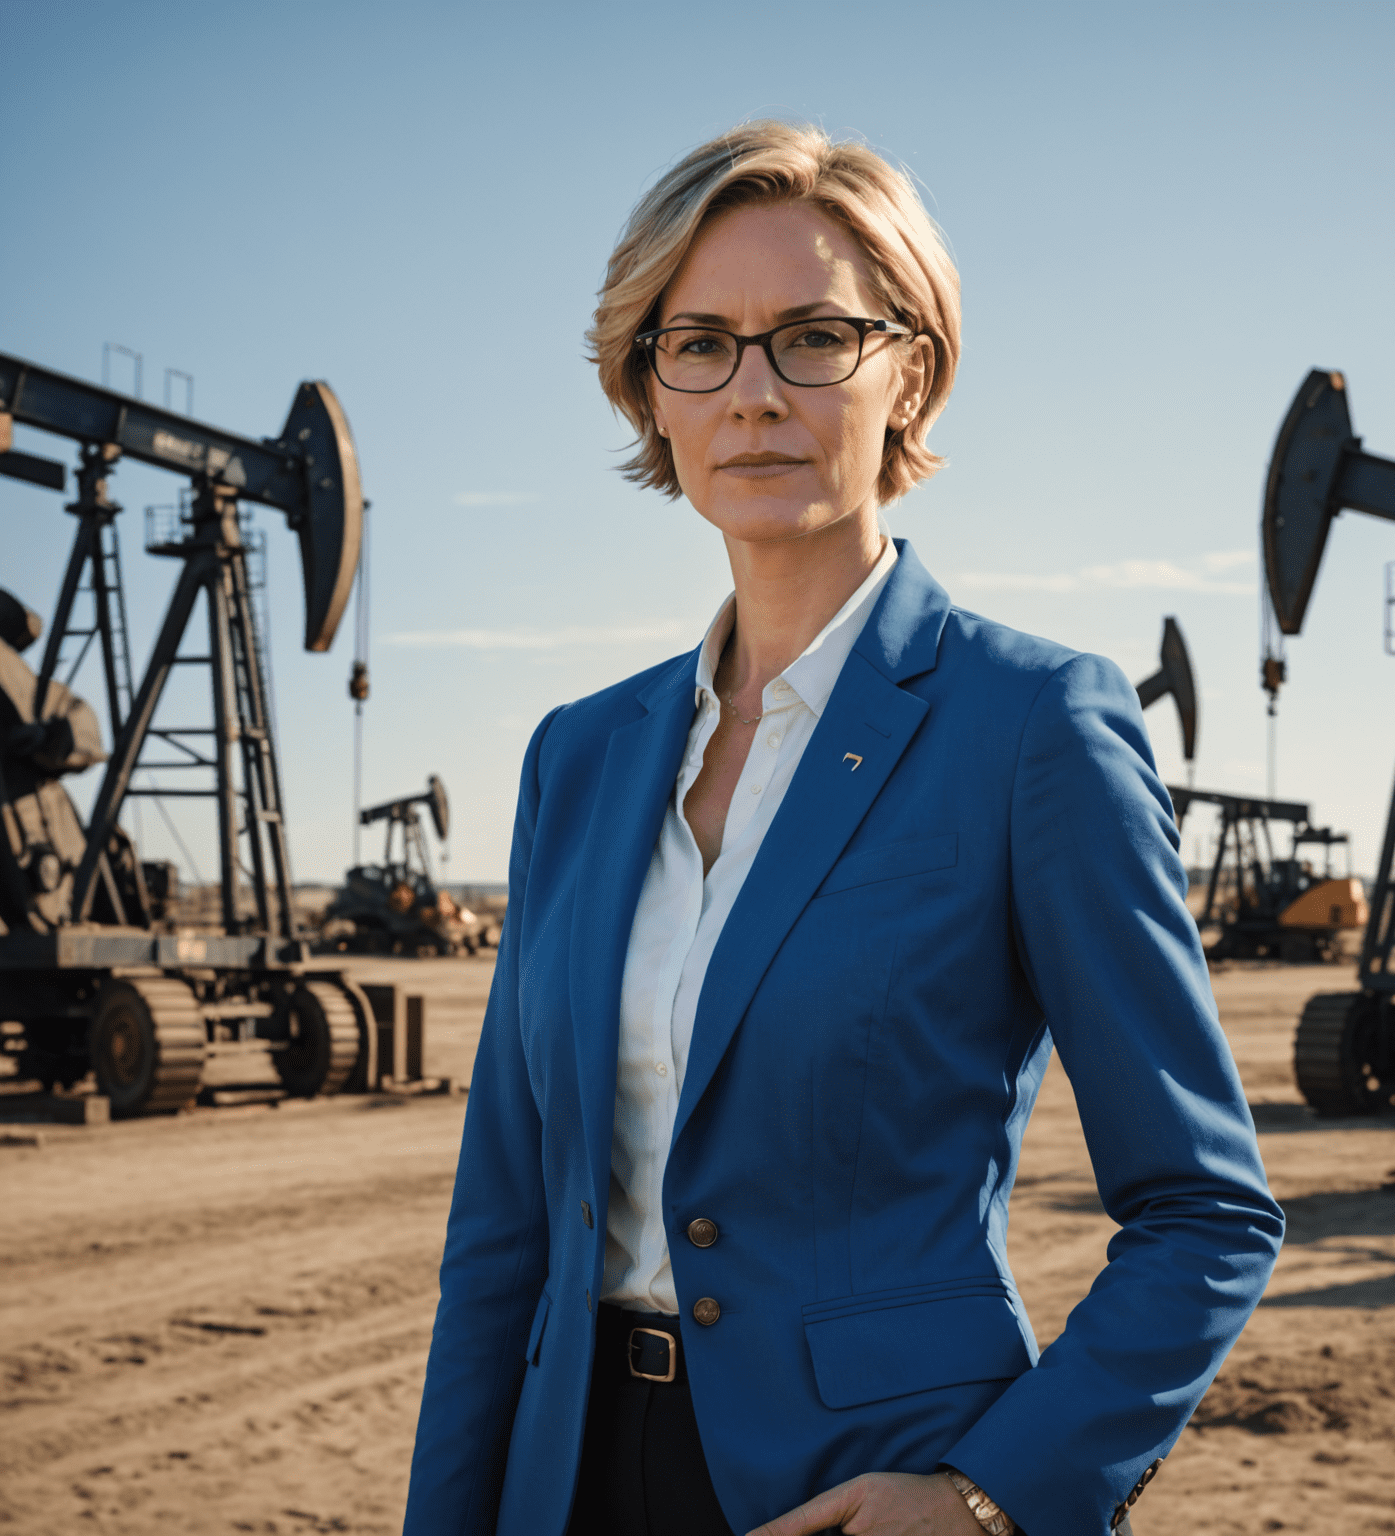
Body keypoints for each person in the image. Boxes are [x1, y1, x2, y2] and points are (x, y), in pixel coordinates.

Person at [402, 121, 1283, 1536]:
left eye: (814, 336)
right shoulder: (578, 756)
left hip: (866, 1489)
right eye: (701, 344)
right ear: (652, 393)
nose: (755, 393)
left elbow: (1206, 1214)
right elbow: (501, 1234)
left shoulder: (1033, 725)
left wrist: (991, 1498)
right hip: (563, 1478)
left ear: (909, 371)